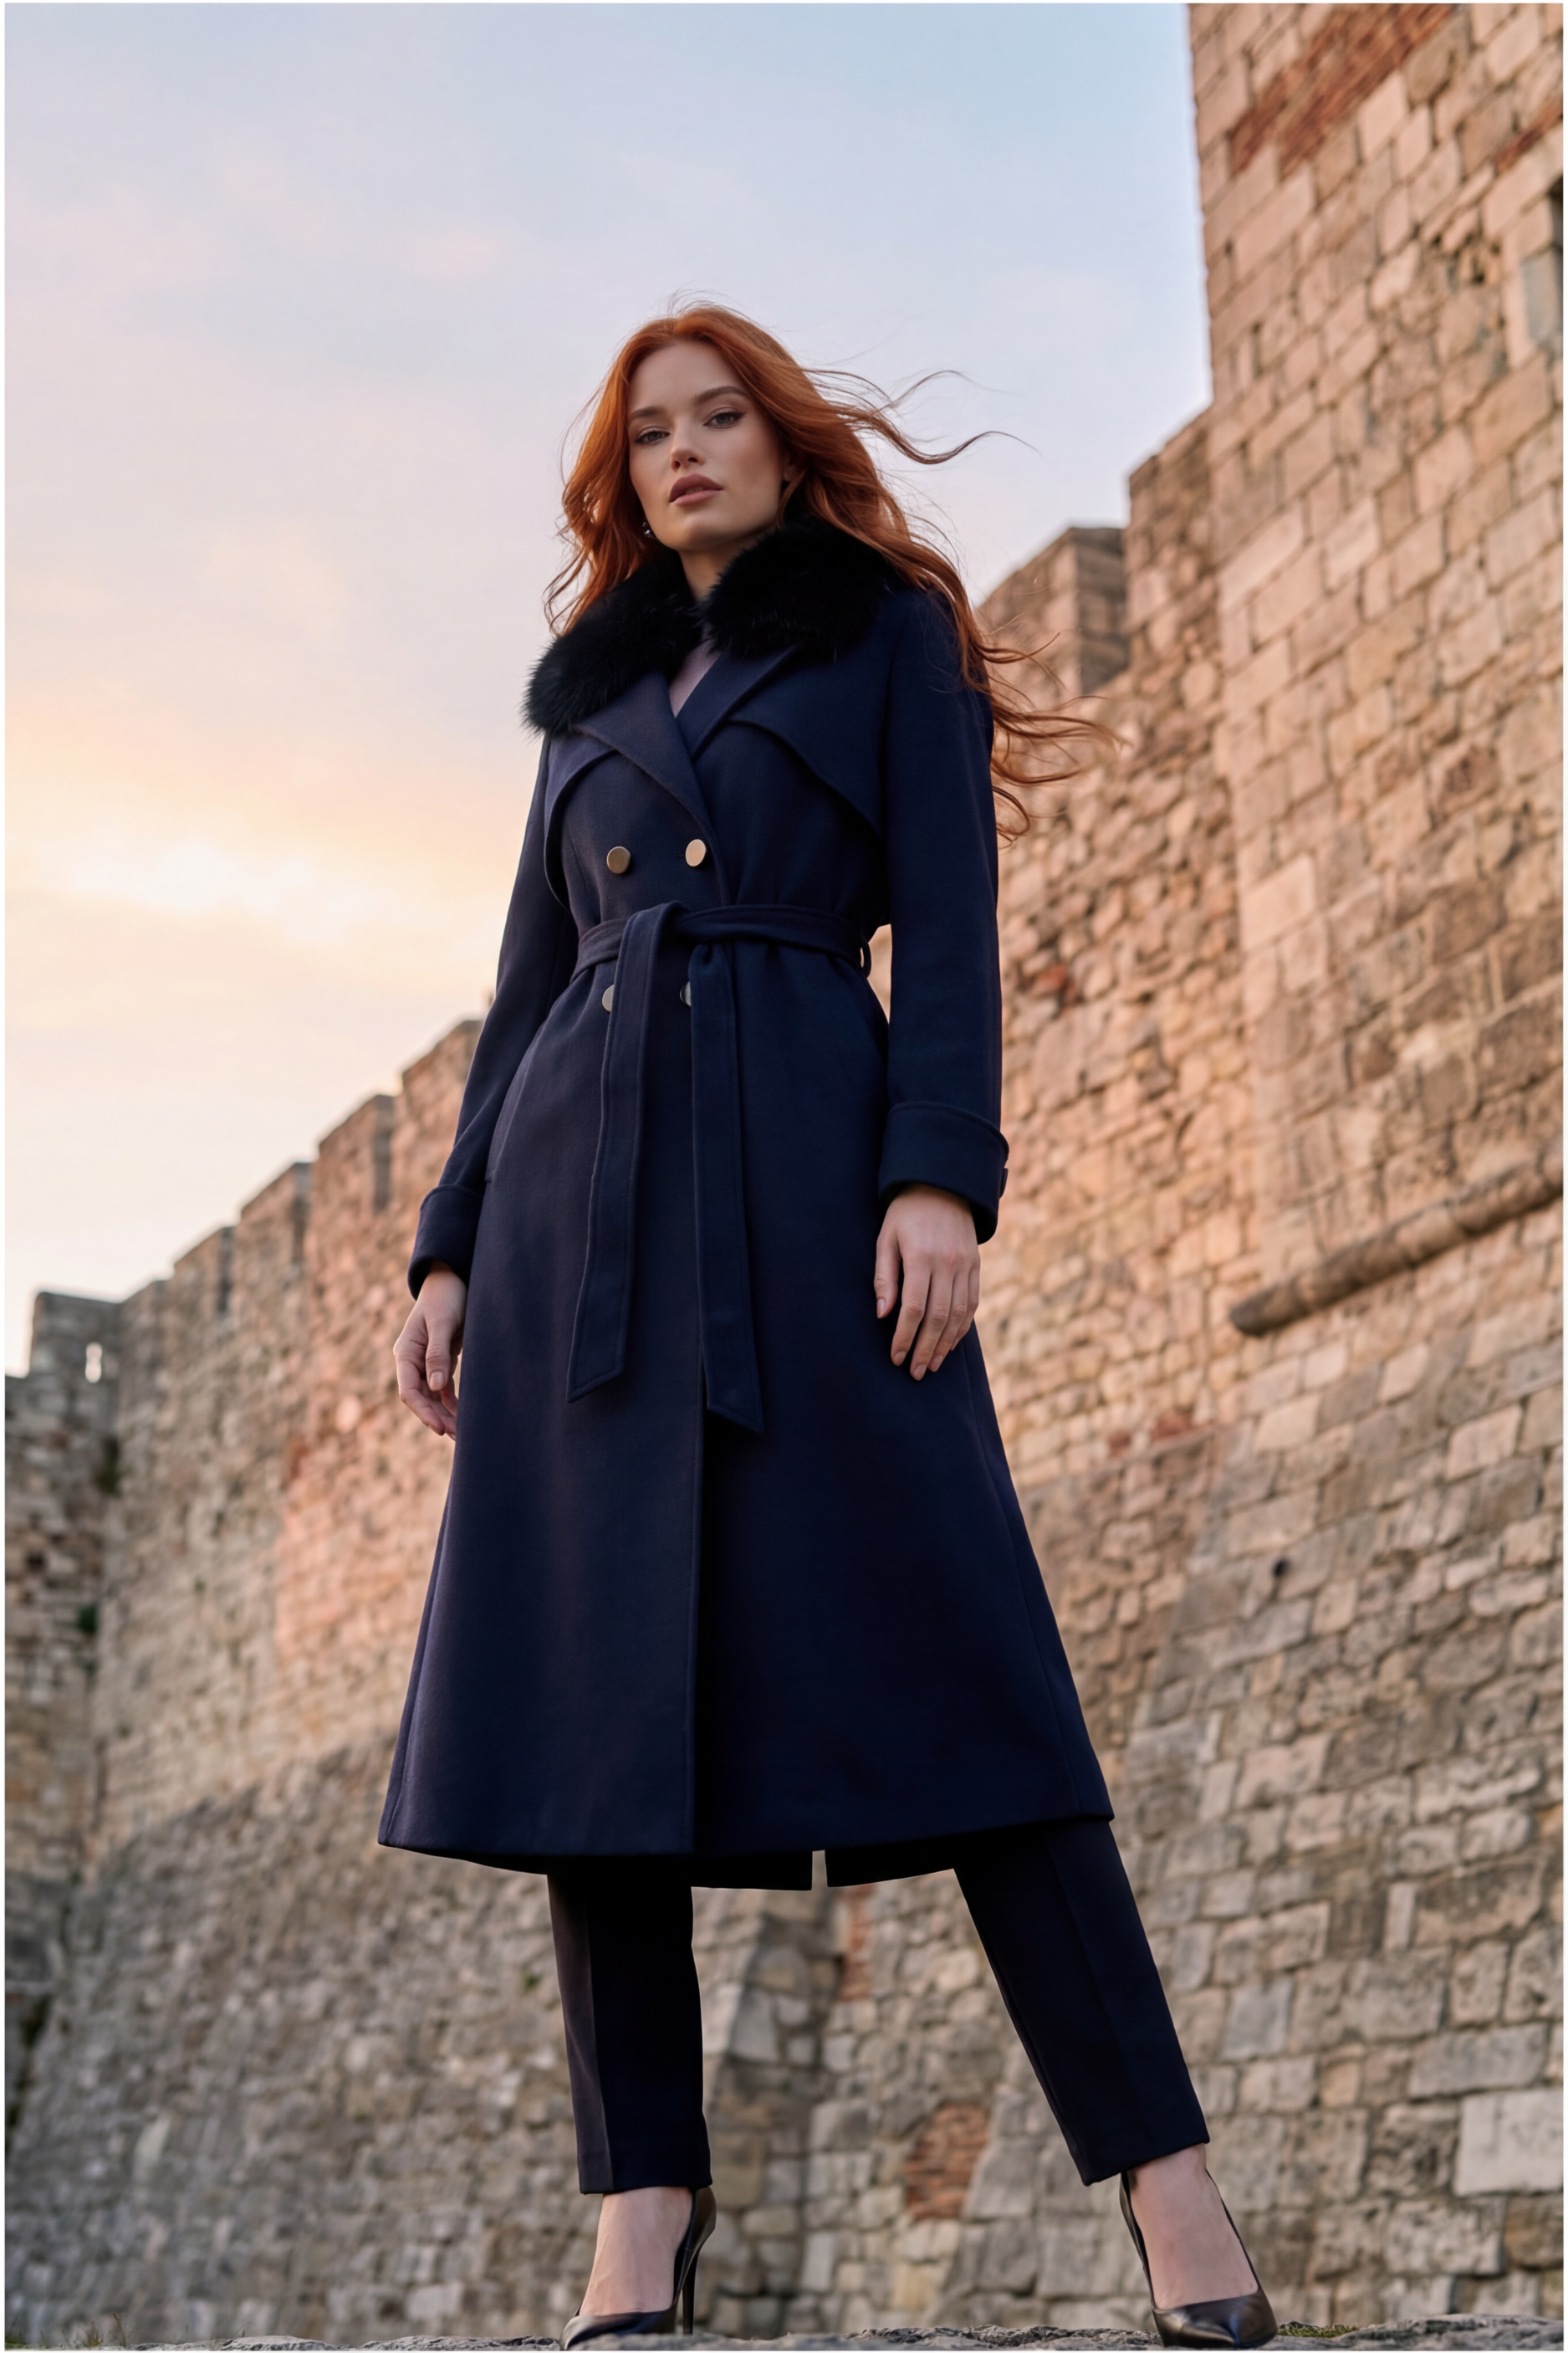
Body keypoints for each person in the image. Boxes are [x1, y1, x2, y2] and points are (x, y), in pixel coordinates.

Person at [384, 304, 1275, 2353]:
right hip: (578, 1240)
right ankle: (638, 2226)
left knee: (976, 1673)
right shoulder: (587, 696)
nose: (685, 450)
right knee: (593, 1734)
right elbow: (526, 992)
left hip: (809, 1196)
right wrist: (447, 1247)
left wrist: (937, 1175)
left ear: (785, 445)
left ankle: (1170, 2185)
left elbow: (946, 927)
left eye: (721, 418)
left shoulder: (884, 635)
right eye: (651, 432)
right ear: (622, 476)